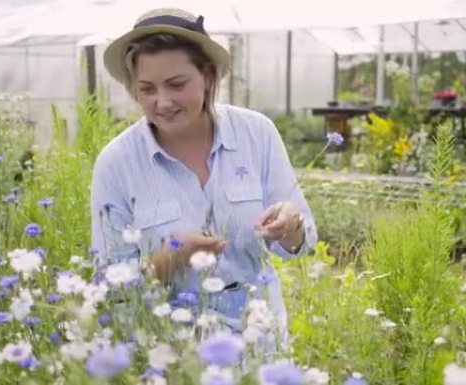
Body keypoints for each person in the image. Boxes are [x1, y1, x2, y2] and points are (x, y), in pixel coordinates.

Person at [90, 8, 317, 342]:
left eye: (176, 84)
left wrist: (291, 226)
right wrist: (171, 256)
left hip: (260, 343)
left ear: (208, 77)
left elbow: (301, 242)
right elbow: (110, 289)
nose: (162, 101)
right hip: (171, 353)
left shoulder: (256, 133)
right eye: (147, 89)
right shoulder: (117, 163)